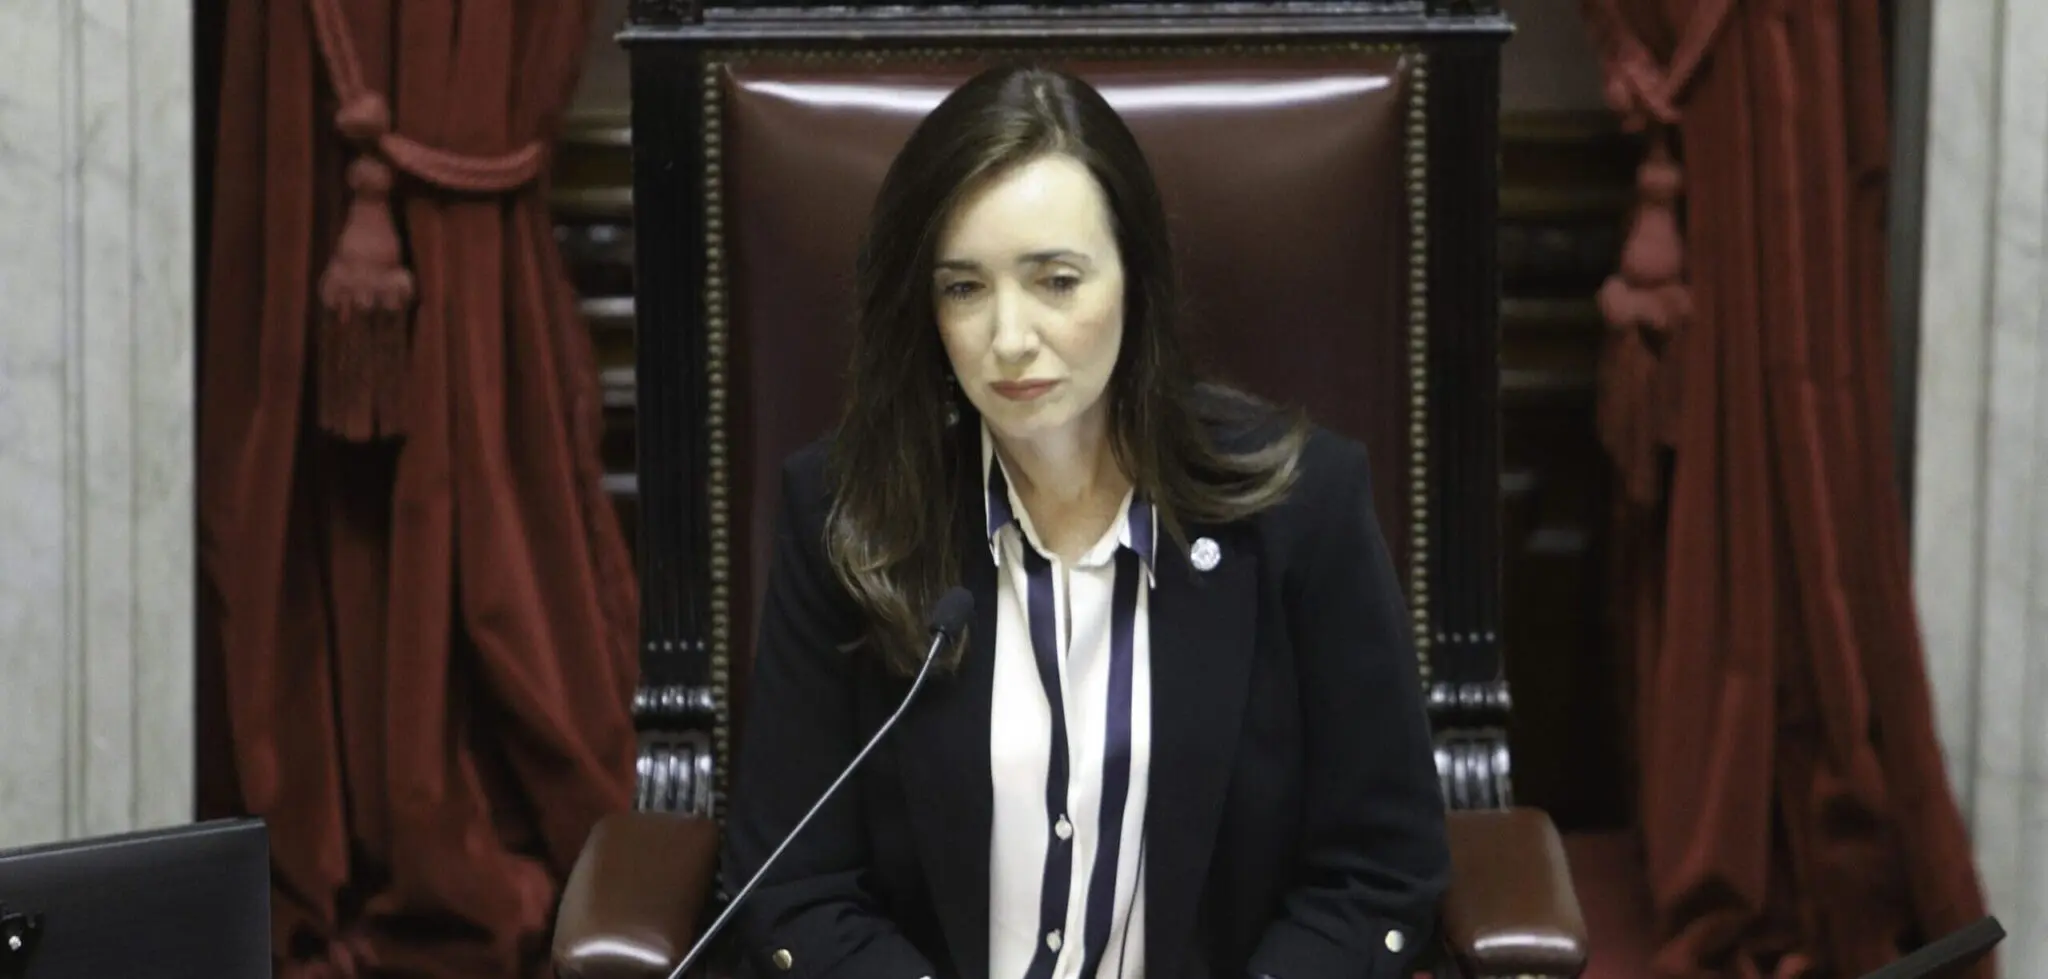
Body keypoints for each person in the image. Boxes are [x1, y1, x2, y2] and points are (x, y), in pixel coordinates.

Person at [722, 64, 1449, 979]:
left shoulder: (1301, 510)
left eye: (1057, 280)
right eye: (964, 288)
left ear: (1135, 281)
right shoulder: (851, 514)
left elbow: (1380, 870)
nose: (1009, 337)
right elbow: (793, 883)